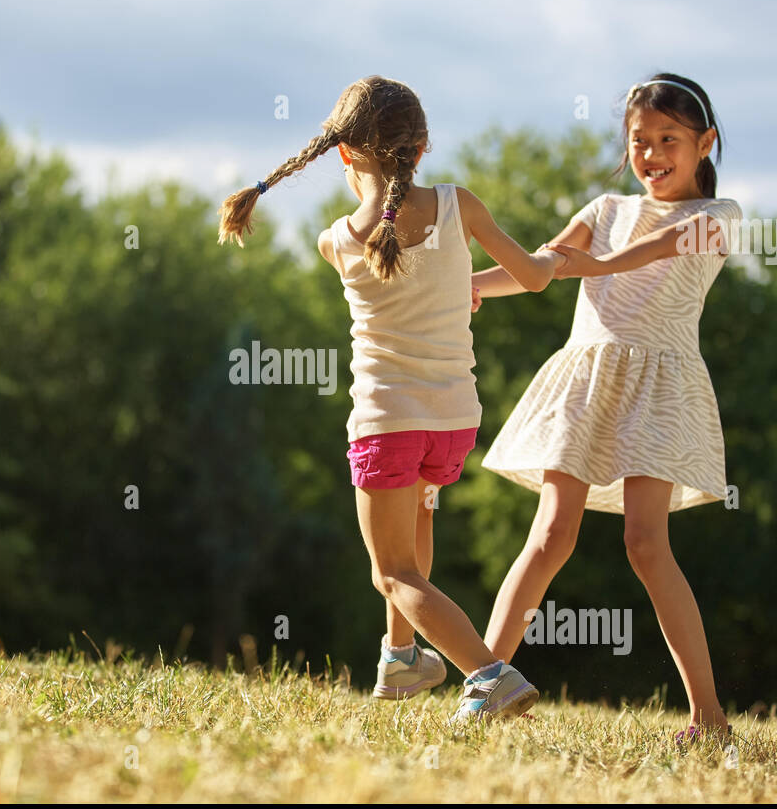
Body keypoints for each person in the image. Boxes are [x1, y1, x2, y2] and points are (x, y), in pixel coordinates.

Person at [218, 75, 562, 722]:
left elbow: (397, 267)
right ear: (423, 146)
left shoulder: (336, 242)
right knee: (418, 529)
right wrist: (547, 257)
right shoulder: (463, 207)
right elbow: (537, 278)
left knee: (393, 573)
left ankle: (489, 675)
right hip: (454, 424)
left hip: (387, 425)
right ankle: (401, 660)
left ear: (342, 154)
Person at [472, 73, 742, 744]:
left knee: (647, 544)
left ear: (704, 141)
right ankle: (482, 688)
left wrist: (580, 267)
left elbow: (651, 253)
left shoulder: (719, 216)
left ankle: (709, 719)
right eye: (639, 141)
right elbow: (541, 266)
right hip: (588, 379)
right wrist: (468, 287)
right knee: (550, 533)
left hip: (660, 385)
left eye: (668, 139)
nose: (651, 153)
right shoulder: (604, 207)